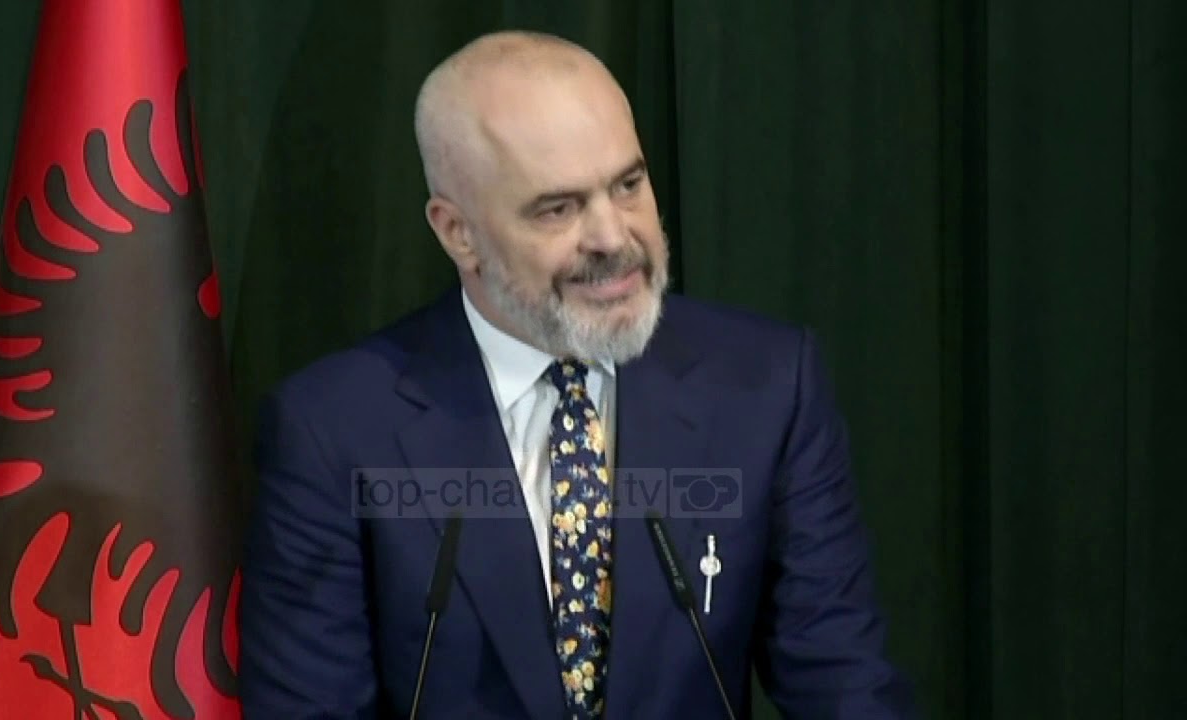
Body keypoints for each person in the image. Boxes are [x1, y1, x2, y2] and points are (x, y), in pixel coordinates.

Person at [238, 29, 915, 720]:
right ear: (457, 232)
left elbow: (845, 683)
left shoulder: (767, 385)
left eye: (629, 185)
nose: (613, 237)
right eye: (557, 209)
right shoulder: (332, 431)